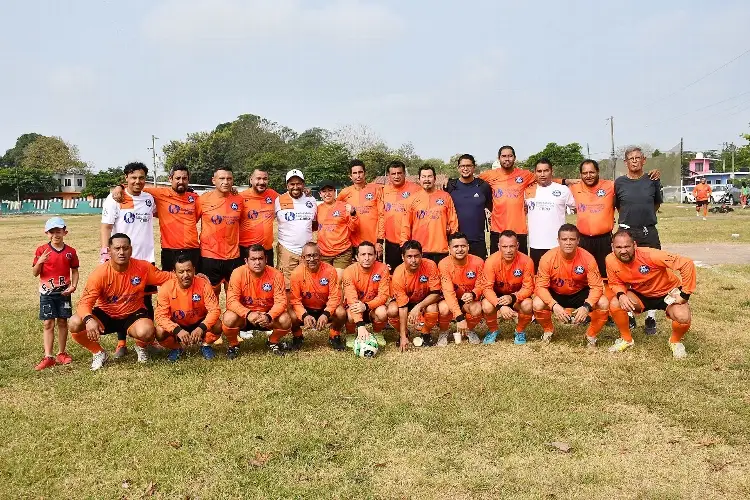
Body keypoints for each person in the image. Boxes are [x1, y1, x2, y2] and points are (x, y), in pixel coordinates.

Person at [69, 233, 173, 370]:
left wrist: (196, 277)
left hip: (133, 314)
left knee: (147, 332)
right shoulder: (99, 274)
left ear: (131, 249)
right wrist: (89, 319)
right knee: (75, 322)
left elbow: (167, 277)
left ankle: (141, 347)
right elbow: (84, 303)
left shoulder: (143, 267)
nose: (121, 252)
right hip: (106, 314)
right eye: (117, 248)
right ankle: (99, 353)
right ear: (109, 251)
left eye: (125, 248)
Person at [606, 230, 696, 358]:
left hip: (667, 293)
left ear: (635, 245)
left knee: (683, 317)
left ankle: (675, 342)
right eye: (618, 247)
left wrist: (685, 295)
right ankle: (626, 339)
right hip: (641, 294)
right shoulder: (610, 260)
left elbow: (686, 263)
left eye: (627, 246)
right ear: (612, 247)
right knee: (615, 303)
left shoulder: (651, 255)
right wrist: (621, 294)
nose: (623, 251)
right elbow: (615, 282)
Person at [101, 162, 157, 358]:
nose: (137, 181)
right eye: (133, 177)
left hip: (146, 259)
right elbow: (106, 227)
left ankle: (147, 340)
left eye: (141, 178)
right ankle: (121, 343)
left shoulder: (150, 199)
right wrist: (105, 253)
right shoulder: (115, 198)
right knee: (123, 300)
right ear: (126, 178)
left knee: (146, 301)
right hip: (123, 259)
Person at [111, 164, 201, 271]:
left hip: (193, 248)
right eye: (177, 178)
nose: (181, 181)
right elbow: (136, 186)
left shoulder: (195, 198)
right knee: (169, 283)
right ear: (170, 179)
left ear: (188, 179)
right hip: (170, 249)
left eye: (184, 178)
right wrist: (119, 187)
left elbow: (196, 217)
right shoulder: (159, 193)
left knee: (193, 283)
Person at [532, 224, 609, 346]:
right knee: (537, 303)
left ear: (578, 240)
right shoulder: (547, 258)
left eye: (572, 239)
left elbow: (597, 287)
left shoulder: (588, 258)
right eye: (564, 239)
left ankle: (591, 335)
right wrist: (554, 306)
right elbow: (540, 287)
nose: (568, 243)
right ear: (558, 240)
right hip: (556, 293)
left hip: (580, 292)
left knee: (603, 302)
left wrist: (587, 306)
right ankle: (548, 331)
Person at [615, 146, 663, 335]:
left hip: (648, 232)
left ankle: (651, 316)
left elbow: (656, 203)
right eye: (630, 158)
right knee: (626, 273)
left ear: (644, 160)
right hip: (627, 231)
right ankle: (629, 315)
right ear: (625, 162)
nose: (634, 161)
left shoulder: (652, 180)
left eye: (637, 158)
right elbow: (619, 205)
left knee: (653, 272)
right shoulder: (619, 183)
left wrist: (645, 216)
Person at [222, 244, 291, 357]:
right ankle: (233, 344)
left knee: (286, 319)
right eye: (253, 259)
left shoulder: (276, 274)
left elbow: (281, 302)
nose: (257, 262)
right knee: (228, 318)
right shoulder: (237, 273)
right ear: (246, 260)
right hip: (245, 318)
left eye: (260, 258)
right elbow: (231, 301)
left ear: (266, 259)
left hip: (267, 317)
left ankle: (272, 341)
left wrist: (269, 316)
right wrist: (248, 313)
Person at [31, 217, 80, 370]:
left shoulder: (70, 252)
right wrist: (40, 261)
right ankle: (48, 356)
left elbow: (75, 270)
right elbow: (35, 273)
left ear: (65, 232)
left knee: (62, 322)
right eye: (52, 231)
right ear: (47, 233)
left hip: (63, 293)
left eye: (58, 231)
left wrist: (73, 285)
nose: (55, 235)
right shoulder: (41, 250)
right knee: (48, 323)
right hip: (47, 293)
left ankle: (61, 353)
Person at [154, 254, 222, 362]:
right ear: (174, 272)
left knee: (218, 325)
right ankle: (176, 347)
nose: (186, 275)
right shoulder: (166, 288)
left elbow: (215, 310)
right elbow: (160, 316)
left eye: (189, 270)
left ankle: (206, 345)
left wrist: (202, 327)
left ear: (194, 270)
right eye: (181, 272)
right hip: (177, 324)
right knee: (159, 331)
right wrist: (177, 330)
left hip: (199, 322)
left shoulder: (203, 284)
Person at [288, 242, 348, 351]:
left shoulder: (330, 271)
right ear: (302, 258)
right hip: (306, 309)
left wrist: (326, 313)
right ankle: (297, 336)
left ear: (320, 256)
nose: (311, 259)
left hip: (324, 307)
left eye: (314, 255)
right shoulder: (296, 274)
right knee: (290, 315)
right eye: (308, 256)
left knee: (341, 313)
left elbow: (335, 297)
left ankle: (334, 334)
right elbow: (295, 301)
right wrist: (304, 315)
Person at [480, 230, 535, 345]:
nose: (508, 250)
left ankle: (520, 331)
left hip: (516, 296)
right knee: (486, 305)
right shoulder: (491, 261)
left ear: (518, 246)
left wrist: (513, 297)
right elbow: (487, 288)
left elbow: (529, 287)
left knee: (528, 304)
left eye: (512, 246)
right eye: (505, 246)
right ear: (499, 246)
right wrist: (500, 305)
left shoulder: (527, 261)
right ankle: (492, 330)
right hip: (498, 296)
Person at [198, 167, 246, 298]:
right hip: (210, 256)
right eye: (222, 178)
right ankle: (214, 319)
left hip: (233, 256)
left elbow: (241, 222)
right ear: (213, 180)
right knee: (211, 295)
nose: (226, 182)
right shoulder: (203, 199)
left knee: (234, 296)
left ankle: (230, 319)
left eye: (229, 178)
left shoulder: (239, 200)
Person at [479, 146, 536, 254]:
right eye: (504, 156)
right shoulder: (489, 175)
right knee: (497, 264)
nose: (507, 159)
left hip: (519, 229)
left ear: (515, 158)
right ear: (498, 158)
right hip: (497, 229)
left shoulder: (525, 175)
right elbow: (472, 184)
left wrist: (566, 181)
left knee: (520, 266)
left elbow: (545, 179)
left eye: (510, 156)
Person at [386, 240, 442, 351]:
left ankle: (425, 333)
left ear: (421, 255)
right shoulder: (398, 274)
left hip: (424, 299)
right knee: (392, 310)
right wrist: (403, 336)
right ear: (403, 257)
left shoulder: (430, 265)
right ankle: (404, 333)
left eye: (416, 256)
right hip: (406, 301)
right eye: (409, 256)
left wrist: (418, 307)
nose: (413, 260)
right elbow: (402, 306)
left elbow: (435, 294)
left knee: (433, 308)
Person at [524, 159, 576, 271]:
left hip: (557, 245)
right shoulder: (527, 190)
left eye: (546, 171)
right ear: (535, 173)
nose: (542, 174)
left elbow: (577, 209)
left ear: (551, 171)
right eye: (539, 171)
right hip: (536, 245)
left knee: (559, 280)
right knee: (539, 279)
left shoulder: (563, 190)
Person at [401, 165, 459, 264]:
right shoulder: (412, 199)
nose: (427, 179)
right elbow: (405, 225)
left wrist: (454, 245)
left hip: (441, 249)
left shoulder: (445, 196)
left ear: (435, 178)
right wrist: (404, 246)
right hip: (419, 250)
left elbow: (453, 222)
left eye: (429, 176)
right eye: (424, 177)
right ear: (419, 179)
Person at [437, 232, 486, 346]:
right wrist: (459, 317)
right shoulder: (444, 264)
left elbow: (481, 284)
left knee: (477, 308)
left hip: (469, 299)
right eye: (456, 246)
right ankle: (443, 332)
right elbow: (448, 292)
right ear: (449, 248)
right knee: (444, 308)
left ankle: (469, 330)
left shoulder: (478, 262)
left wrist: (473, 294)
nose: (460, 249)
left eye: (463, 246)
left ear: (468, 247)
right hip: (451, 299)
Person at [570, 159, 616, 278]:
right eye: (585, 173)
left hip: (605, 239)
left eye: (592, 172)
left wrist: (651, 175)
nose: (588, 176)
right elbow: (551, 181)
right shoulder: (574, 188)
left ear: (598, 172)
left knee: (606, 273)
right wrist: (566, 180)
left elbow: (629, 182)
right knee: (584, 275)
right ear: (580, 175)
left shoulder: (610, 185)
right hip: (584, 240)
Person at [275, 169, 318, 289]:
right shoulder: (278, 200)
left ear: (303, 184)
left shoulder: (311, 200)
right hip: (287, 249)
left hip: (307, 251)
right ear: (287, 185)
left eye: (298, 183)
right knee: (287, 286)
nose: (295, 187)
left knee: (307, 284)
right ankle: (289, 308)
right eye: (292, 184)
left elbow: (314, 224)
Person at [445, 154, 493, 259]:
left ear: (474, 167)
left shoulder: (483, 186)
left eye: (468, 166)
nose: (465, 168)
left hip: (478, 240)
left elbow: (490, 208)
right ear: (458, 168)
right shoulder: (450, 186)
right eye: (462, 166)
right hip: (457, 241)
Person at [341, 241, 391, 342]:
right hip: (355, 306)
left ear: (375, 256)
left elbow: (383, 296)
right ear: (356, 257)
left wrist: (366, 306)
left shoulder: (383, 269)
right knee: (350, 315)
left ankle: (377, 332)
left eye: (370, 254)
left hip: (372, 307)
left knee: (383, 313)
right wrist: (360, 325)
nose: (367, 258)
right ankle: (350, 334)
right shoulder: (348, 271)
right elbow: (352, 299)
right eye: (363, 254)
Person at [337, 159, 385, 259]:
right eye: (355, 173)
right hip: (353, 244)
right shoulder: (344, 193)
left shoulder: (376, 189)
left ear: (365, 173)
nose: (358, 175)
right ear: (350, 176)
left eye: (360, 172)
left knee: (375, 273)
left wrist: (380, 241)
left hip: (373, 243)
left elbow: (382, 215)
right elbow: (335, 211)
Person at [382, 161, 422, 272]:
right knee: (394, 273)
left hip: (411, 240)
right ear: (388, 175)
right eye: (393, 174)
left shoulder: (416, 189)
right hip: (391, 242)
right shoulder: (383, 191)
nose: (396, 176)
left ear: (404, 173)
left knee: (413, 272)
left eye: (399, 173)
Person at [317, 180, 358, 276]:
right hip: (323, 252)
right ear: (320, 194)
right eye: (324, 191)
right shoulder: (318, 209)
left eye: (330, 190)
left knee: (337, 281)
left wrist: (353, 213)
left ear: (334, 192)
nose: (327, 194)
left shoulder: (344, 207)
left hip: (342, 251)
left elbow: (354, 228)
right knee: (325, 281)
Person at [240, 169, 279, 265]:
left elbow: (289, 199)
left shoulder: (273, 195)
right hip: (246, 249)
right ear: (251, 180)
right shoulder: (240, 197)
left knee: (267, 278)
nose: (262, 182)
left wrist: (305, 194)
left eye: (265, 179)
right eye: (258, 178)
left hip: (266, 249)